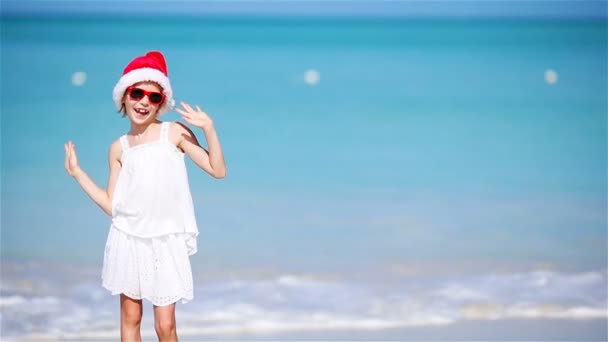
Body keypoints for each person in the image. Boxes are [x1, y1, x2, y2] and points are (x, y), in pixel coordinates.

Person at [64, 51, 226, 342]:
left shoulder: (174, 133)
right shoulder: (119, 148)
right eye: (137, 93)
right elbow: (113, 206)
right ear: (124, 96)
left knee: (165, 327)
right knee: (131, 319)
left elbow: (218, 170)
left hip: (165, 240)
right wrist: (78, 174)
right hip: (128, 239)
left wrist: (210, 129)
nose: (144, 102)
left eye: (153, 97)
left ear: (161, 103)